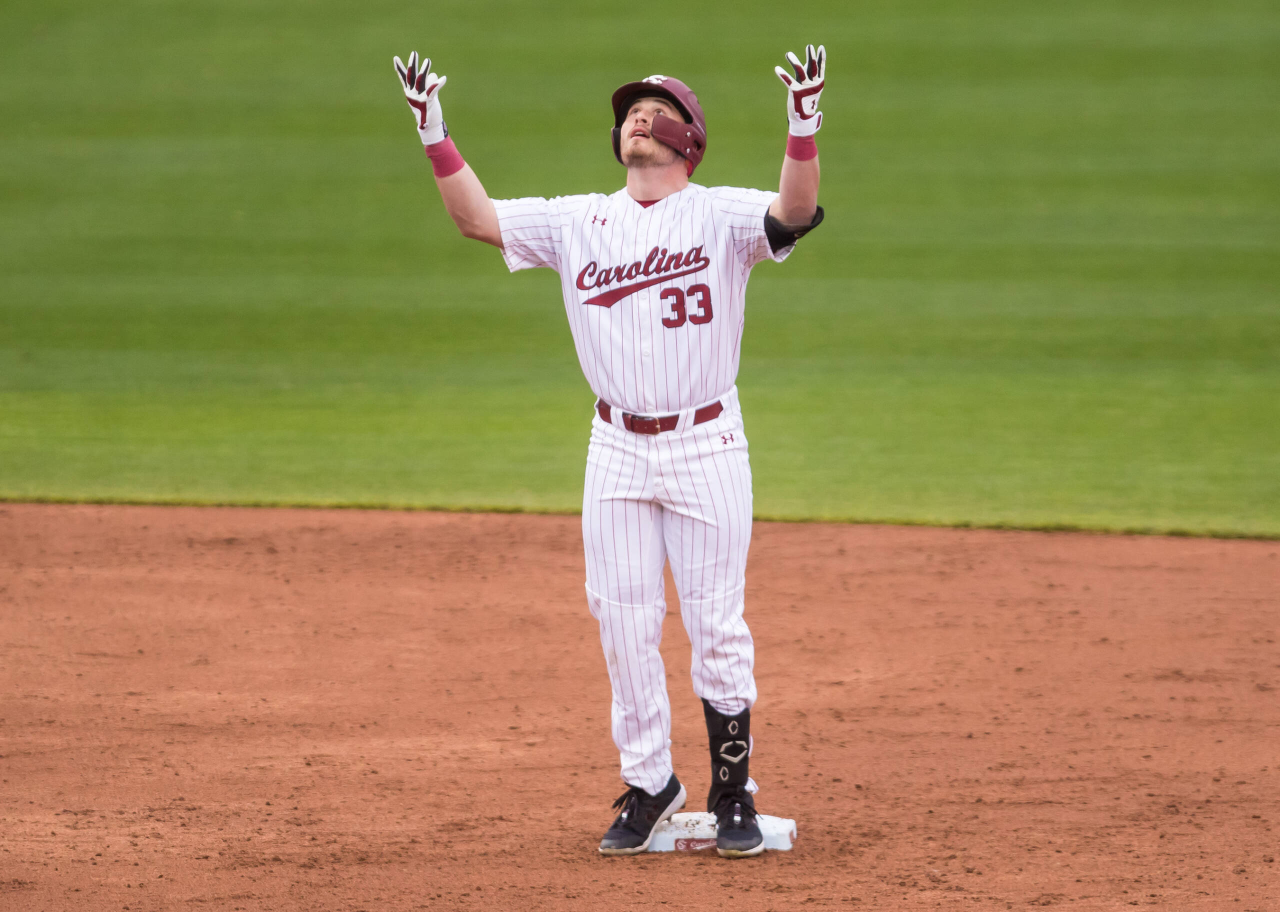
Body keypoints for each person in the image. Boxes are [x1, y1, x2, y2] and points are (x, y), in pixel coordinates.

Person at [393, 46, 825, 858]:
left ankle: (734, 792)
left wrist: (804, 124)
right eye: (630, 110)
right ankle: (651, 785)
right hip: (616, 448)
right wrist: (434, 132)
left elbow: (794, 213)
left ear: (686, 140)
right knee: (623, 623)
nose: (637, 116)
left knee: (715, 626)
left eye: (655, 108)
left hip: (706, 442)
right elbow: (476, 219)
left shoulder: (720, 214)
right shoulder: (579, 220)